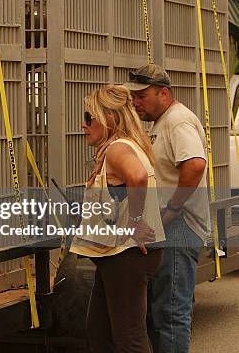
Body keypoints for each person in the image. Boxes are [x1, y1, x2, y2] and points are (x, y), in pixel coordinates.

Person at [70, 84, 165, 353]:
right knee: (100, 333)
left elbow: (136, 177)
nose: (84, 124)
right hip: (117, 255)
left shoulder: (118, 149)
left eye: (90, 117)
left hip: (127, 254)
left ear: (110, 118)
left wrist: (135, 221)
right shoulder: (123, 146)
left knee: (129, 338)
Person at [125, 64, 210, 353]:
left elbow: (195, 164)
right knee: (158, 314)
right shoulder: (162, 122)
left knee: (171, 315)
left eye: (142, 96)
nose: (136, 103)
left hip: (179, 229)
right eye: (133, 97)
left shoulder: (177, 121)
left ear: (164, 93)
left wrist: (173, 208)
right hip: (168, 228)